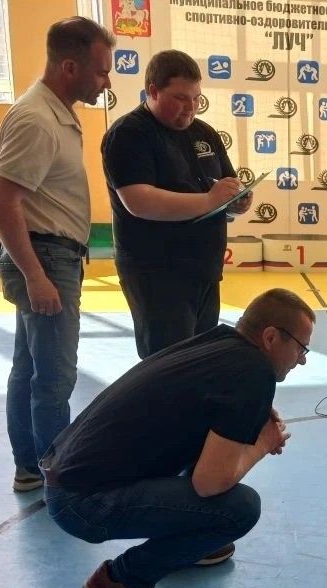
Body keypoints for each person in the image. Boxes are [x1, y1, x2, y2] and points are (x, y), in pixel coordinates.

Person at [40, 288, 314, 588]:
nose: (302, 360)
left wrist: (249, 415)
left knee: (209, 454)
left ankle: (191, 541)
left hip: (65, 474)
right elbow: (210, 483)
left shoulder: (221, 342)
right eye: (301, 348)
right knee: (241, 509)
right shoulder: (254, 373)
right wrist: (262, 444)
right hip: (81, 503)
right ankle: (123, 580)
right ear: (271, 337)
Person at [0, 17, 115, 493]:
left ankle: (30, 466)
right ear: (69, 68)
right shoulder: (37, 120)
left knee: (30, 370)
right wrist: (36, 275)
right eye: (101, 72)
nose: (106, 82)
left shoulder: (52, 112)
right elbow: (2, 204)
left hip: (50, 254)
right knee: (54, 377)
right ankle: (59, 475)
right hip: (45, 257)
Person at [102, 49, 250, 359]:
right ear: (153, 91)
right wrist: (209, 200)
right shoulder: (129, 134)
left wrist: (237, 199)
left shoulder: (205, 133)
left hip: (203, 268)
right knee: (168, 364)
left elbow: (226, 185)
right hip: (158, 272)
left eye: (196, 98)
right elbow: (139, 201)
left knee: (198, 362)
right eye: (181, 98)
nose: (190, 107)